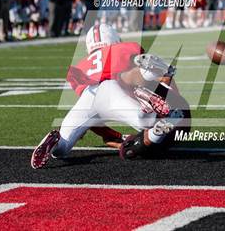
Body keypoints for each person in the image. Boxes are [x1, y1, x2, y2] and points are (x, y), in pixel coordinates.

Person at [31, 23, 188, 168]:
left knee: (60, 151)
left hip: (88, 95)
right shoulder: (122, 48)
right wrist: (169, 88)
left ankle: (54, 140)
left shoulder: (82, 64)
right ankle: (152, 73)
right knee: (145, 120)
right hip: (110, 89)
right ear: (113, 38)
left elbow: (92, 119)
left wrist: (111, 135)